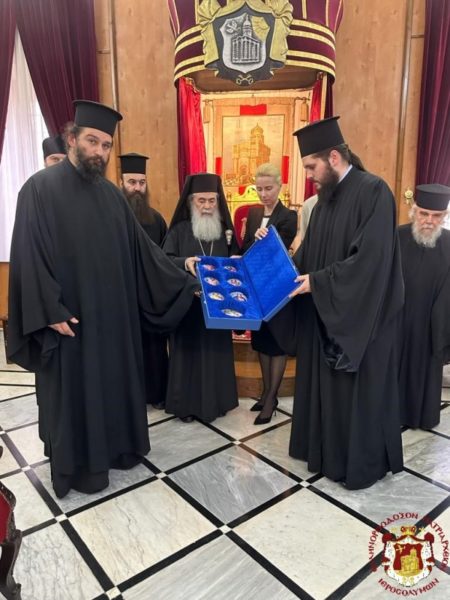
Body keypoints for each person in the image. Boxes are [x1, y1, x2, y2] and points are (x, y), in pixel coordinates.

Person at [7, 100, 198, 498]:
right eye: (92, 141)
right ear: (72, 139)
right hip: (69, 321)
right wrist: (49, 309)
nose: (99, 151)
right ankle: (79, 469)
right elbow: (29, 253)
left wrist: (185, 273)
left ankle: (119, 451)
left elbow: (144, 253)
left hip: (113, 321)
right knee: (74, 395)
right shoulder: (39, 189)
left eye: (106, 145)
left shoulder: (112, 196)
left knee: (112, 385)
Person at [271, 116, 404, 490]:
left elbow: (371, 262)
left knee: (355, 399)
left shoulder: (374, 192)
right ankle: (324, 453)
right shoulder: (323, 203)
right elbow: (307, 258)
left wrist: (317, 282)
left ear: (333, 157)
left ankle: (355, 464)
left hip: (361, 323)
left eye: (311, 167)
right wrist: (273, 271)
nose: (309, 176)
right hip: (324, 317)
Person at [163, 173, 239, 423]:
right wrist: (184, 262)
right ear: (190, 202)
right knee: (189, 356)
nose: (207, 206)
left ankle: (218, 403)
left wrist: (237, 262)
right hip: (189, 307)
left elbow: (236, 262)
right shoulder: (179, 230)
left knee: (215, 353)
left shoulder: (225, 231)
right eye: (201, 201)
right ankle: (186, 406)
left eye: (212, 200)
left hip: (218, 309)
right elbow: (164, 261)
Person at [241, 163, 297, 424]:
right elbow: (244, 248)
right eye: (259, 189)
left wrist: (265, 239)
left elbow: (279, 252)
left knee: (276, 344)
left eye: (269, 188)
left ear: (279, 186)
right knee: (261, 342)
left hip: (277, 287)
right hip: (256, 286)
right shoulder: (252, 214)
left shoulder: (288, 216)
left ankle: (272, 398)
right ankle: (265, 393)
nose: (263, 194)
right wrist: (249, 245)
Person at [398, 183, 450, 429]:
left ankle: (424, 416)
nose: (429, 220)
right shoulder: (396, 237)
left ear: (444, 216)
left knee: (426, 371)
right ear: (414, 211)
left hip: (433, 323)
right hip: (398, 320)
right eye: (424, 213)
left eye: (436, 216)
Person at [119, 152, 168, 409]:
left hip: (149, 296)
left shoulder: (156, 219)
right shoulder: (111, 217)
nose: (137, 188)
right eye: (132, 182)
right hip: (120, 296)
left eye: (141, 182)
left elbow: (165, 259)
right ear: (121, 182)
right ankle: (129, 397)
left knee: (153, 347)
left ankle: (156, 394)